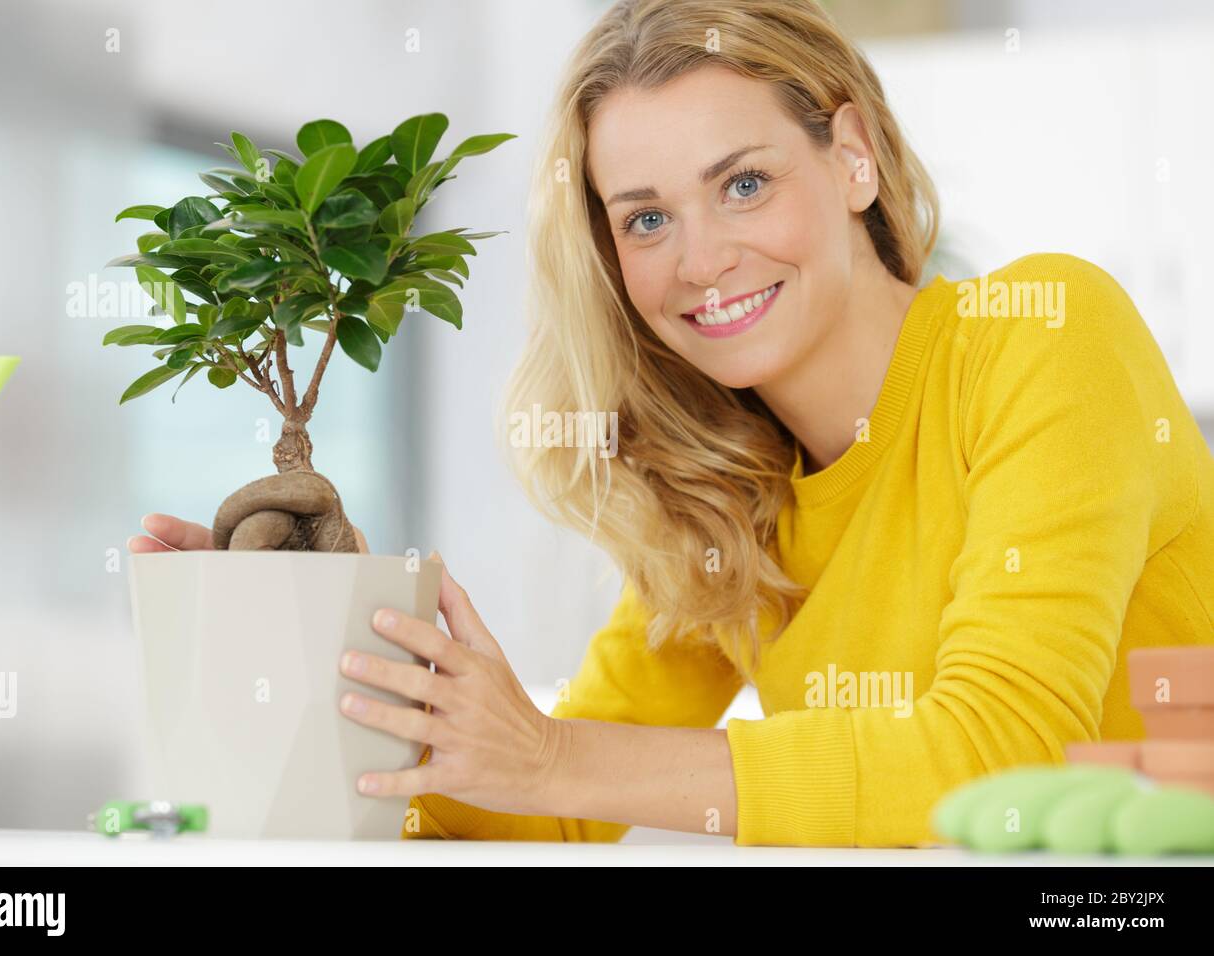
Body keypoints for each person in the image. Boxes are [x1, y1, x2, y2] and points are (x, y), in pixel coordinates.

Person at [130, 0, 1214, 847]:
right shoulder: (727, 489)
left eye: (742, 183)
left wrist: (550, 754)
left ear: (852, 154)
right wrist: (339, 629)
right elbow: (528, 810)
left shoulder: (1045, 335)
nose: (698, 260)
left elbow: (997, 759)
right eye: (646, 217)